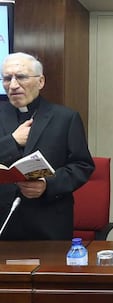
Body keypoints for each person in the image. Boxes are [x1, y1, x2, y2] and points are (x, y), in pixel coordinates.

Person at [0, 52, 94, 240]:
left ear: (40, 81)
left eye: (21, 77)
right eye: (6, 78)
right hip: (4, 221)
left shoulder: (65, 118)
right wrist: (13, 141)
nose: (13, 85)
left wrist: (47, 185)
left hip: (49, 222)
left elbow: (82, 166)